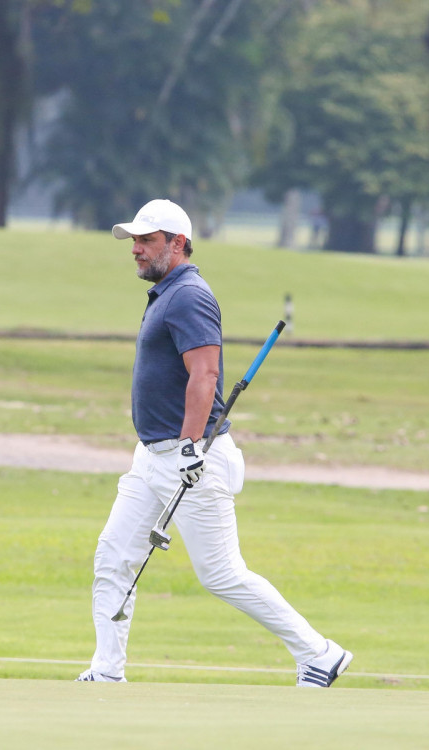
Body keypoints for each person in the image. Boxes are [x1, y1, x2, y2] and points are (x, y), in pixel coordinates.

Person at [79, 199, 351, 687]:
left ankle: (320, 653)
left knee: (221, 574)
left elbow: (204, 375)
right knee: (113, 556)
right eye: (134, 241)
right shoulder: (166, 292)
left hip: (191, 459)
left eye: (147, 240)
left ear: (178, 243)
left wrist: (188, 445)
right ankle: (106, 670)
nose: (136, 250)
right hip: (152, 458)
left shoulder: (189, 295)